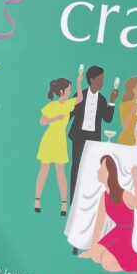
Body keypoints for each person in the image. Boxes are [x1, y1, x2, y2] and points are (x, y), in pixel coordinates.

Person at [79, 155, 137, 273]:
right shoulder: (104, 196)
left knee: (107, 264)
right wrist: (93, 249)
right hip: (116, 232)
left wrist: (135, 177)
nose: (98, 171)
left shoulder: (124, 194)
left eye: (101, 168)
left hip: (125, 234)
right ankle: (113, 256)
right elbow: (99, 225)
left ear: (109, 173)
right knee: (95, 256)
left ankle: (133, 264)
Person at [68, 65, 119, 205]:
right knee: (76, 168)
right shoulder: (80, 95)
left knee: (91, 170)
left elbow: (108, 118)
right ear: (92, 79)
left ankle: (87, 201)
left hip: (94, 139)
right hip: (78, 137)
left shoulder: (102, 100)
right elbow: (69, 114)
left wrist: (112, 101)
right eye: (100, 79)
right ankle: (73, 201)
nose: (103, 82)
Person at [34, 73, 83, 215]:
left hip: (60, 141)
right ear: (61, 91)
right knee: (44, 170)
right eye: (68, 90)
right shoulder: (52, 105)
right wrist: (55, 118)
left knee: (61, 172)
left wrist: (79, 82)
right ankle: (37, 200)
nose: (70, 92)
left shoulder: (68, 104)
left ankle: (64, 204)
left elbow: (80, 98)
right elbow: (42, 121)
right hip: (49, 140)